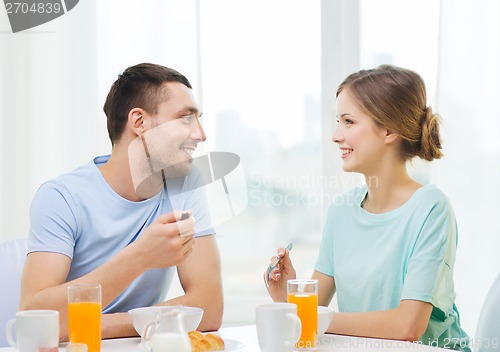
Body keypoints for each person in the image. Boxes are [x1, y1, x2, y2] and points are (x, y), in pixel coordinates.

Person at [266, 64, 470, 351]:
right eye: (338, 121)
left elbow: (408, 326)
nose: (336, 135)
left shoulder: (431, 209)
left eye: (348, 122)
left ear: (388, 129)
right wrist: (289, 298)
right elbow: (311, 315)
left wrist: (309, 315)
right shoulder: (341, 211)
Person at [20, 63, 223, 339]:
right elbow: (35, 323)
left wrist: (102, 324)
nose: (200, 134)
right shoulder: (62, 197)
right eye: (186, 118)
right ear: (139, 122)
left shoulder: (184, 183)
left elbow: (209, 308)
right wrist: (141, 257)